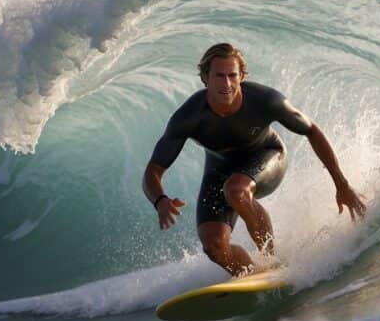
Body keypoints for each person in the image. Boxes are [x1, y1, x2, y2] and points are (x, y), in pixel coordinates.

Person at [143, 43, 366, 276]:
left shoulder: (265, 100)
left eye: (233, 75)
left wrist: (341, 184)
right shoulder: (188, 117)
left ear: (242, 77)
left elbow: (311, 130)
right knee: (214, 247)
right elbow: (153, 170)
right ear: (205, 77)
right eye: (219, 75)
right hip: (219, 170)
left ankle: (271, 260)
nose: (227, 84)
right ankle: (252, 274)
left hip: (268, 155)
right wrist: (160, 200)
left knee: (236, 190)